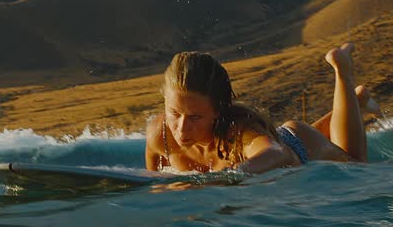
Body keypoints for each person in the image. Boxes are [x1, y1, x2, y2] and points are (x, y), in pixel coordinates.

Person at [145, 43, 374, 174]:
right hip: (275, 136)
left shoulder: (239, 132)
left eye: (195, 117)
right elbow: (154, 183)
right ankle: (355, 102)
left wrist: (230, 177)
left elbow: (279, 153)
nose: (181, 128)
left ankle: (342, 69)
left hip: (300, 144)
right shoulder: (160, 135)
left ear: (218, 111)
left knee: (357, 165)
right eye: (174, 113)